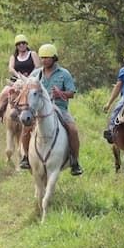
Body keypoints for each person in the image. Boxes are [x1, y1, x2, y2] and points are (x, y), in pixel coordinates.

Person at [30, 43, 83, 176]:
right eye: (42, 58)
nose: (44, 60)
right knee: (25, 128)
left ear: (54, 58)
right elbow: (28, 88)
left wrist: (60, 93)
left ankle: (74, 161)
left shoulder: (64, 74)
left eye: (47, 57)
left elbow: (72, 92)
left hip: (60, 108)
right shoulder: (36, 74)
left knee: (73, 130)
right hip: (39, 110)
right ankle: (26, 158)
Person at [0, 34, 41, 127]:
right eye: (19, 43)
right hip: (17, 80)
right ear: (16, 46)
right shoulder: (14, 56)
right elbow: (11, 68)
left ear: (26, 44)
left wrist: (29, 77)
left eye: (23, 43)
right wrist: (19, 76)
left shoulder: (32, 54)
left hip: (31, 80)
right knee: (5, 91)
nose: (21, 45)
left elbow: (37, 66)